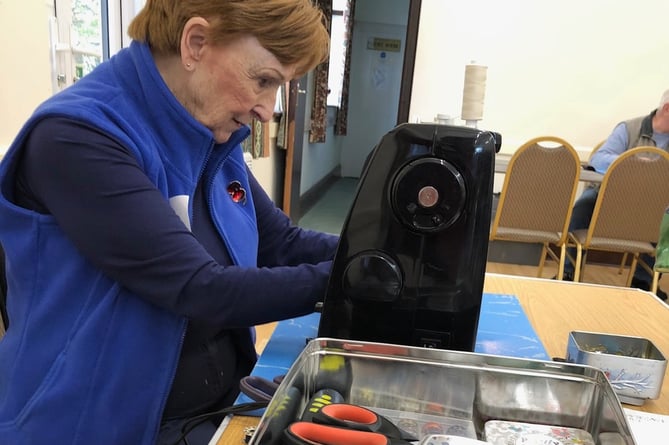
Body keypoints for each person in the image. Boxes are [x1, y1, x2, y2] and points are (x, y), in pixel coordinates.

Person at [0, 1, 336, 444]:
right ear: (195, 43)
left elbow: (282, 242)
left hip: (212, 409)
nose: (265, 109)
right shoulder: (77, 138)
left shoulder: (207, 131)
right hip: (97, 426)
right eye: (264, 80)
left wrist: (378, 248)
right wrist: (354, 275)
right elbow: (199, 288)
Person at [562, 89, 669, 299]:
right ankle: (568, 271)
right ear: (667, 108)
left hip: (653, 203)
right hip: (610, 196)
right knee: (584, 204)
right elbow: (599, 159)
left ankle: (643, 280)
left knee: (666, 215)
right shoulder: (629, 128)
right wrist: (631, 163)